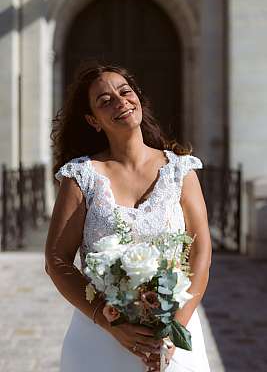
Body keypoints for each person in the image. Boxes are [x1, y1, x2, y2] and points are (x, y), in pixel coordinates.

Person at [45, 61, 212, 372]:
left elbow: (201, 252)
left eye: (124, 92)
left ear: (137, 97)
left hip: (174, 333)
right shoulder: (81, 176)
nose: (120, 101)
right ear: (93, 120)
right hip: (98, 341)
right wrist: (109, 323)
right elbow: (56, 259)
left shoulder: (180, 171)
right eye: (105, 100)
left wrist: (174, 330)